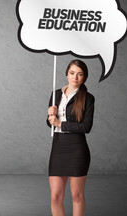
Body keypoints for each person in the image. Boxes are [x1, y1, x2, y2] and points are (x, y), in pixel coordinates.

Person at [46, 59, 95, 216]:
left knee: (77, 196)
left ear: (84, 77)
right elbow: (51, 124)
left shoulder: (88, 98)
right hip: (58, 147)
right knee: (55, 197)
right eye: (72, 73)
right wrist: (50, 117)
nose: (75, 77)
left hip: (77, 149)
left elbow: (86, 127)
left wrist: (60, 123)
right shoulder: (56, 95)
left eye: (80, 74)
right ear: (67, 74)